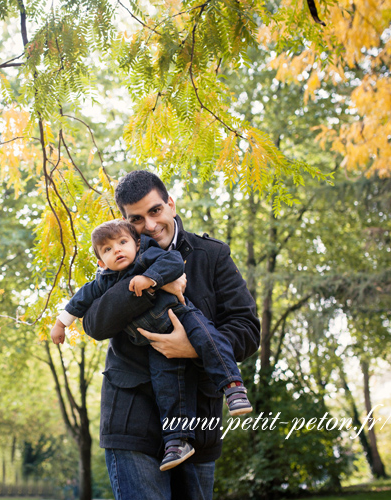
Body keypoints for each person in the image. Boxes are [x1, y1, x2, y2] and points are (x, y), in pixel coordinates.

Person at [82, 171, 260, 500]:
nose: (149, 225)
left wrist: (192, 347)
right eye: (136, 218)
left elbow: (247, 329)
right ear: (125, 221)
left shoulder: (212, 255)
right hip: (132, 420)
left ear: (171, 205)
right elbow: (93, 323)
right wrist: (151, 285)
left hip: (198, 420)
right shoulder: (117, 258)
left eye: (155, 211)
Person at [50, 219, 253, 470]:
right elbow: (80, 301)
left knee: (209, 340)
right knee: (168, 388)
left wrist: (150, 278)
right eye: (108, 249)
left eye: (123, 243)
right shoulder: (104, 282)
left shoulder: (148, 256)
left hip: (182, 316)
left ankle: (233, 387)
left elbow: (174, 262)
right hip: (154, 342)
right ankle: (177, 441)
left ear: (136, 244)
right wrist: (61, 323)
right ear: (101, 262)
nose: (118, 250)